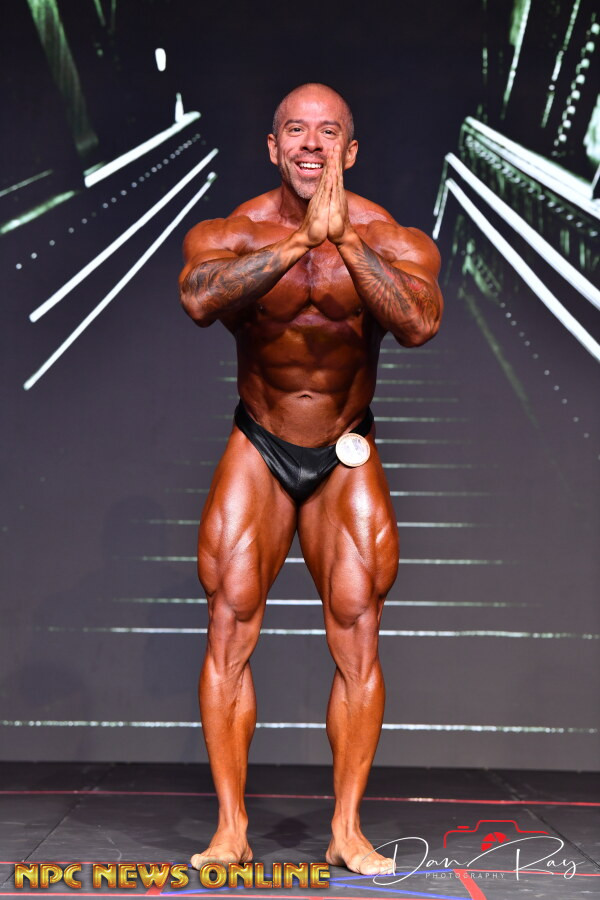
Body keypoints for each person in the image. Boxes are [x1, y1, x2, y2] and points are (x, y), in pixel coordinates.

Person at [178, 82, 443, 876]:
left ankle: (347, 829)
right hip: (259, 440)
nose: (311, 144)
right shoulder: (232, 232)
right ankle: (230, 828)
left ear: (349, 151)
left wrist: (346, 243)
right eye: (295, 129)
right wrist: (298, 245)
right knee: (229, 620)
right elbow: (199, 301)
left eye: (328, 133)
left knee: (358, 627)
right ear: (273, 146)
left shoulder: (390, 237)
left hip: (344, 446)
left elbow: (419, 324)